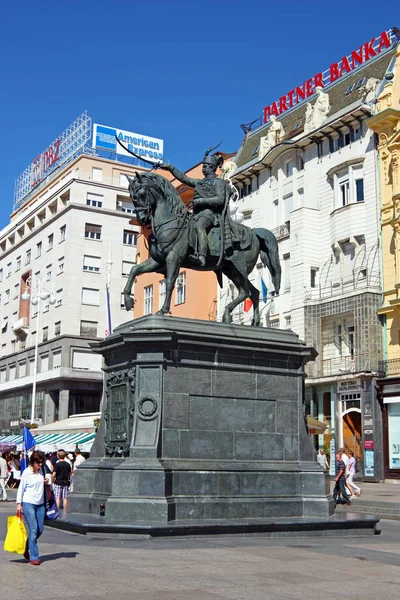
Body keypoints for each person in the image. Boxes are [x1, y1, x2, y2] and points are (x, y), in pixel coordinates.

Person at [160, 146, 233, 267]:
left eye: (205, 166)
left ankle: (202, 256)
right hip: (197, 213)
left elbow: (220, 200)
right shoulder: (199, 182)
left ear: (212, 167)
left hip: (210, 213)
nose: (203, 168)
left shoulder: (218, 182)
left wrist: (200, 201)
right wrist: (170, 168)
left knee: (200, 226)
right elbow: (184, 178)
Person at [16, 450, 48, 565]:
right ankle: (34, 557)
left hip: (40, 504)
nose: (40, 465)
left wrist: (46, 481)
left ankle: (26, 546)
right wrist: (19, 504)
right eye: (38, 463)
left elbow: (48, 484)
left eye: (41, 462)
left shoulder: (42, 471)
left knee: (40, 530)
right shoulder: (26, 472)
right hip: (28, 502)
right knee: (33, 529)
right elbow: (21, 488)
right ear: (33, 462)